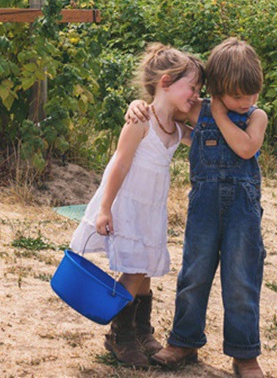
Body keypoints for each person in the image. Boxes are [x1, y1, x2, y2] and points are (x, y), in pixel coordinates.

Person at [125, 37, 268, 378]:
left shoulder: (255, 117)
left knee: (242, 279)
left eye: (252, 93)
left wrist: (218, 110)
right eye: (236, 95)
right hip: (203, 206)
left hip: (242, 212)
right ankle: (184, 341)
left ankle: (245, 355)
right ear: (216, 88)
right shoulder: (197, 109)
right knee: (193, 274)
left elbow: (246, 149)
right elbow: (163, 105)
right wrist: (136, 104)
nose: (246, 101)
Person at [68, 43, 205, 368]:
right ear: (167, 81)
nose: (197, 96)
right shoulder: (141, 121)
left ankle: (141, 330)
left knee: (143, 271)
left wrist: (192, 106)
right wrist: (105, 208)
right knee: (135, 270)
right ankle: (120, 334)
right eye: (193, 88)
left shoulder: (174, 128)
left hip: (150, 210)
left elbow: (206, 125)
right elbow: (118, 164)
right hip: (126, 206)